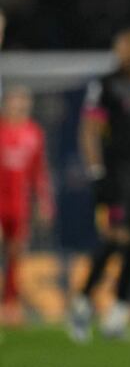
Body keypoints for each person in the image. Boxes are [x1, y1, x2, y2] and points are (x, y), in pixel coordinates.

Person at [69, 27, 130, 340]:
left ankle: (118, 315)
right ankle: (82, 303)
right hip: (115, 174)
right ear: (120, 50)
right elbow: (89, 129)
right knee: (113, 239)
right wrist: (96, 171)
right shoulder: (105, 85)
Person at [0, 86, 55, 325]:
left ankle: (10, 306)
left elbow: (38, 173)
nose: (18, 107)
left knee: (15, 254)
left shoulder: (34, 133)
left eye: (23, 103)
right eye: (14, 102)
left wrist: (44, 202)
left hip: (19, 205)